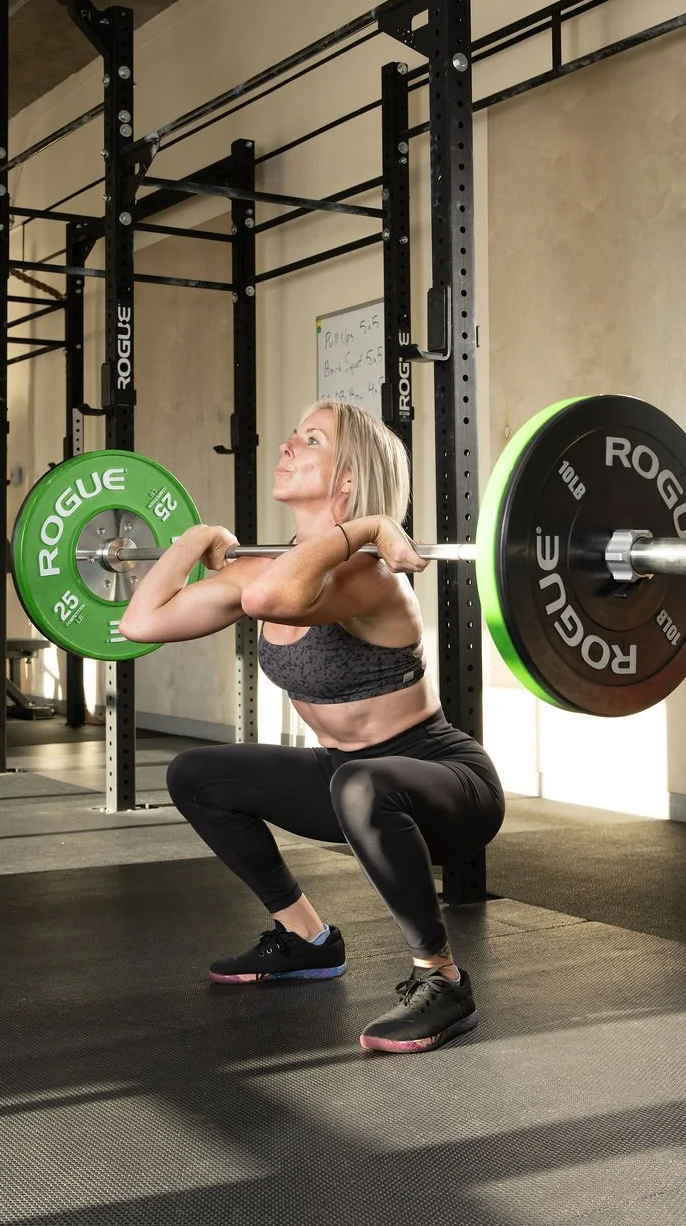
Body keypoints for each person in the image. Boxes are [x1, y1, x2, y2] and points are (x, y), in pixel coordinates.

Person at [118, 400, 505, 1053]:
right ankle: (305, 938)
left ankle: (442, 979)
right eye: (292, 435)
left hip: (444, 783)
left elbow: (272, 599)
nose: (288, 446)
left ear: (347, 478)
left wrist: (369, 528)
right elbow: (141, 624)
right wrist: (191, 540)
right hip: (345, 781)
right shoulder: (265, 566)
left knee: (361, 783)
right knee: (197, 774)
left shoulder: (369, 572)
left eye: (312, 439)